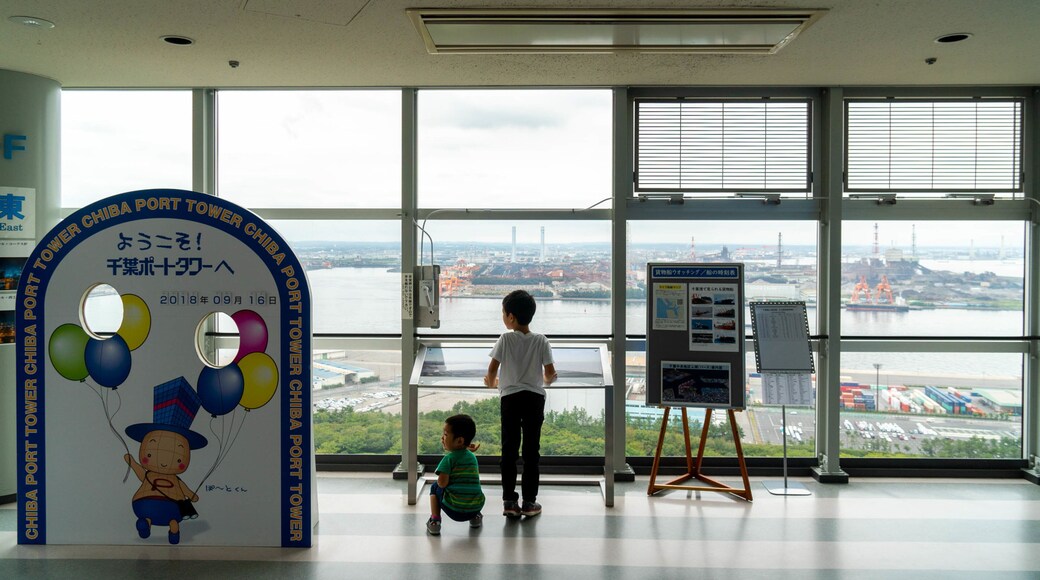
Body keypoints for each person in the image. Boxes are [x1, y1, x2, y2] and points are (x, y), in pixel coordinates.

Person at [483, 289, 556, 518]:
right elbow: (550, 373)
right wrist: (543, 380)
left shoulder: (505, 338)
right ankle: (530, 502)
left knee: (509, 449)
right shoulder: (541, 340)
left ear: (511, 316)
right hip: (534, 398)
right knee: (531, 451)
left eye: (503, 313)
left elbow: (493, 369)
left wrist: (491, 383)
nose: (503, 317)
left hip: (510, 398)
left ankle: (509, 502)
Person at [426, 414, 486, 535]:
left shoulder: (449, 459)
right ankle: (475, 518)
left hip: (456, 511)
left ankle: (435, 521)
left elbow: (442, 484)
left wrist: (441, 480)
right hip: (475, 507)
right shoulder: (472, 457)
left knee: (434, 487)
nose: (442, 438)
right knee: (470, 485)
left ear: (459, 441)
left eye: (446, 434)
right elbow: (463, 453)